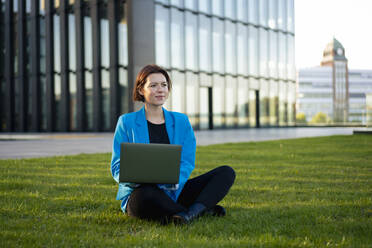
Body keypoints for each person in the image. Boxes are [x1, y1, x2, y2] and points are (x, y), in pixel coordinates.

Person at [110, 64, 235, 224]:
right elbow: (116, 166)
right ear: (141, 90)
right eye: (153, 85)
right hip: (141, 192)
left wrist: (172, 181)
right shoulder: (127, 122)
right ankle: (195, 211)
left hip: (175, 190)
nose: (160, 89)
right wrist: (136, 179)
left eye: (164, 85)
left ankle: (184, 213)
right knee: (145, 195)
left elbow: (187, 161)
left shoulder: (182, 121)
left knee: (225, 172)